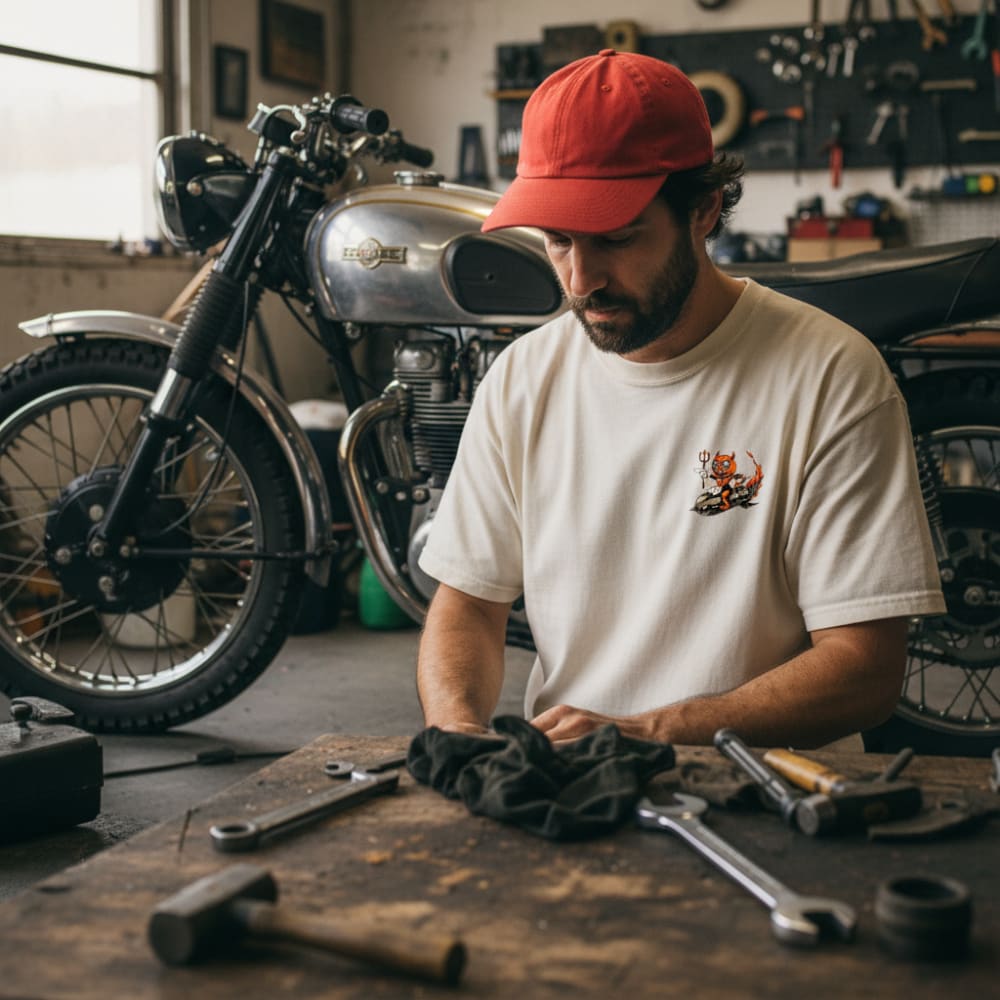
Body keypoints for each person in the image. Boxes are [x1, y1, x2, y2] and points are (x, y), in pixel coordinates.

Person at [416, 49, 945, 749]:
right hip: (579, 784)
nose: (580, 281)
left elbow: (866, 669)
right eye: (558, 241)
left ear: (703, 210)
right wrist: (456, 728)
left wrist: (651, 732)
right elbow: (468, 605)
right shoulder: (522, 381)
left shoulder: (833, 378)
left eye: (615, 238)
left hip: (772, 790)